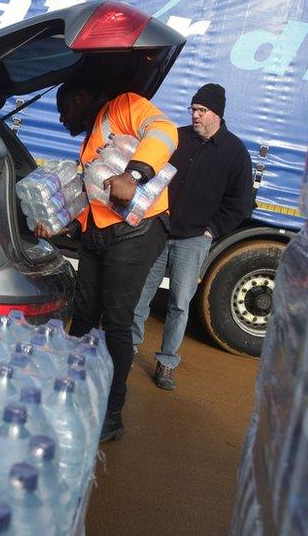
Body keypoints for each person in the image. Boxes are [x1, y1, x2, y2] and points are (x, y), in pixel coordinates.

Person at [36, 78, 177, 442]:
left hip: (135, 231)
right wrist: (60, 225)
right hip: (100, 234)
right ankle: (75, 395)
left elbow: (164, 132)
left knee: (116, 321)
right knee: (83, 317)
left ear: (81, 96)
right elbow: (94, 198)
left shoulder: (124, 105)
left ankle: (110, 413)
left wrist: (134, 174)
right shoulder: (91, 139)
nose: (63, 121)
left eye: (64, 110)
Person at [131, 83, 253, 391]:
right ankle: (126, 350)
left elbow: (240, 203)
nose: (195, 115)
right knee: (141, 294)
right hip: (159, 230)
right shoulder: (178, 138)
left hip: (195, 239)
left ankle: (167, 363)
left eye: (202, 110)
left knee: (180, 303)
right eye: (193, 109)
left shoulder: (234, 153)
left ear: (217, 115)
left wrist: (212, 229)